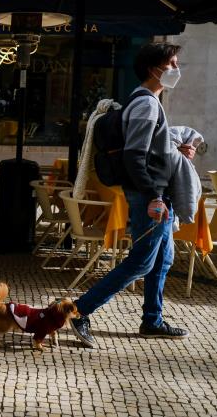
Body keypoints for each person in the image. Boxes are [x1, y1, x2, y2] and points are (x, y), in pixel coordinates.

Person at [69, 42, 190, 348]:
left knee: (162, 258)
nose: (177, 68)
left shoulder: (148, 101)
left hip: (156, 193)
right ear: (155, 69)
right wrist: (154, 196)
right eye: (172, 63)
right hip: (150, 195)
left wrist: (175, 151)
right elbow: (134, 156)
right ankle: (79, 311)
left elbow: (148, 152)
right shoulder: (146, 104)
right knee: (141, 262)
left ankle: (153, 320)